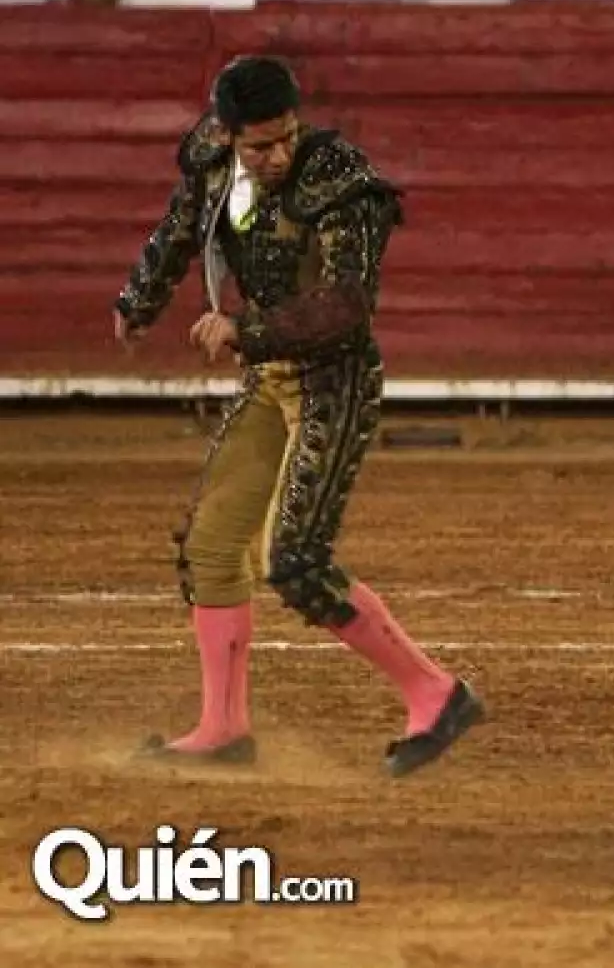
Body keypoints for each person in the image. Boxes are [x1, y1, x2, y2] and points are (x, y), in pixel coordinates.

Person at [112, 55, 483, 776]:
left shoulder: (339, 178)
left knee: (295, 564)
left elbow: (345, 306)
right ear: (227, 134)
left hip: (331, 380)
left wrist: (242, 329)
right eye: (260, 146)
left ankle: (437, 694)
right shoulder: (212, 160)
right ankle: (222, 728)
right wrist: (139, 301)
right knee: (212, 547)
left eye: (286, 136)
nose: (278, 155)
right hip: (270, 378)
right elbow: (182, 226)